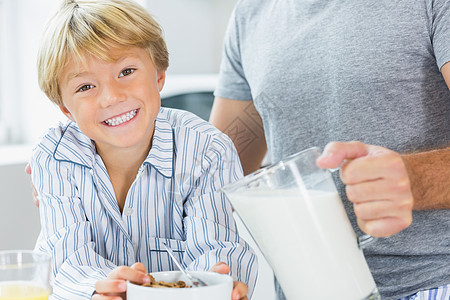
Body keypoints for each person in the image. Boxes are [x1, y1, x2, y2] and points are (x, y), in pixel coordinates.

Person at [209, 0, 450, 299]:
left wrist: (417, 178)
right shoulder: (251, 14)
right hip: (308, 290)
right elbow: (214, 176)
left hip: (429, 283)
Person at [29, 0, 257, 299]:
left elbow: (217, 248)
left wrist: (215, 282)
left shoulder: (206, 149)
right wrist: (102, 289)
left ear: (159, 76)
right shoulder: (56, 156)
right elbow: (66, 260)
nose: (111, 97)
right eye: (85, 87)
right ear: (66, 110)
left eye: (126, 71)